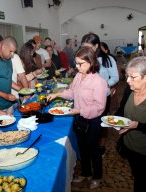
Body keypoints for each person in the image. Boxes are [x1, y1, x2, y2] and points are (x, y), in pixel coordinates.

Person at [47, 46, 107, 189]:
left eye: (80, 63)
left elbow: (99, 107)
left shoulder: (99, 81)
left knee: (93, 150)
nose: (77, 66)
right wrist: (57, 94)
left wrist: (78, 110)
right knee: (83, 147)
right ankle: (86, 172)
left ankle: (97, 176)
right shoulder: (79, 76)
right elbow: (71, 93)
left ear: (91, 62)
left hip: (93, 120)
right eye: (76, 63)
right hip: (79, 118)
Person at [115, 56, 146, 192]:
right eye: (127, 76)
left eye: (133, 77)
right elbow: (121, 110)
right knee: (137, 176)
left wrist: (137, 125)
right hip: (130, 146)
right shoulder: (129, 90)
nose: (127, 81)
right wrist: (115, 121)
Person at [81, 33, 119, 156]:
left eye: (88, 47)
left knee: (101, 122)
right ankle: (89, 146)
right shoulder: (85, 58)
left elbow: (115, 77)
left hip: (102, 96)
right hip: (87, 97)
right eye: (83, 47)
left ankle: (100, 146)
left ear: (96, 46)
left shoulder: (107, 59)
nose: (85, 50)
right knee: (88, 122)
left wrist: (104, 85)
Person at [0, 34, 29, 100]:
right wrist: (5, 95)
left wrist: (25, 91)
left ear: (2, 44)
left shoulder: (9, 58)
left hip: (12, 96)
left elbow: (9, 79)